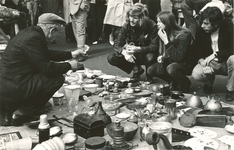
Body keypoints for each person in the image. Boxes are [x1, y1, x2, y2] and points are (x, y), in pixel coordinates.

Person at [0, 13, 86, 126]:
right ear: (52, 30)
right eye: (57, 34)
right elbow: (48, 69)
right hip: (13, 87)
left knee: (48, 73)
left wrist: (72, 54)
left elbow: (44, 53)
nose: (55, 38)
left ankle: (19, 106)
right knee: (56, 78)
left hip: (8, 82)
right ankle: (24, 113)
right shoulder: (34, 38)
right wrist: (70, 66)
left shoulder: (29, 32)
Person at [107, 3, 158, 82]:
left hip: (146, 53)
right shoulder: (127, 25)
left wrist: (138, 49)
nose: (131, 19)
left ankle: (149, 74)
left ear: (142, 18)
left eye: (135, 18)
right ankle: (136, 70)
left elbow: (154, 47)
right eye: (130, 16)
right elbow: (117, 44)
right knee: (111, 58)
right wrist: (124, 52)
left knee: (150, 57)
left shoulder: (152, 25)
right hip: (132, 54)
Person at [191, 7, 234, 101]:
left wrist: (216, 54)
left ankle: (230, 89)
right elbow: (197, 48)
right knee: (196, 74)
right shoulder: (200, 29)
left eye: (206, 23)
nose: (202, 26)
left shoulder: (228, 26)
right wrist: (201, 60)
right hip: (210, 62)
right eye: (202, 22)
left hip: (227, 61)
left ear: (216, 24)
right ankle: (209, 83)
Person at [147, 11, 194, 92]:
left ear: (167, 23)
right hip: (171, 60)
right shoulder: (163, 32)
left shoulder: (183, 36)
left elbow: (178, 57)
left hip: (186, 63)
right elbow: (163, 51)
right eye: (157, 21)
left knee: (171, 68)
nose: (157, 24)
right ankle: (173, 81)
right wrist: (162, 57)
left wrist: (166, 41)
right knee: (151, 70)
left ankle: (185, 83)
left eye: (159, 22)